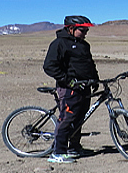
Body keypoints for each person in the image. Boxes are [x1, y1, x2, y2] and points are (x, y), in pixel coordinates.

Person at [43, 15, 99, 163]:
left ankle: (74, 147)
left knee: (80, 118)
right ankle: (58, 152)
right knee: (67, 119)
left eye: (87, 30)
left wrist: (95, 79)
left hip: (84, 87)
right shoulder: (59, 44)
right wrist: (69, 81)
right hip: (69, 89)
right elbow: (49, 66)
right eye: (83, 30)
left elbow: (89, 64)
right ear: (71, 29)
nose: (86, 32)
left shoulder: (84, 45)